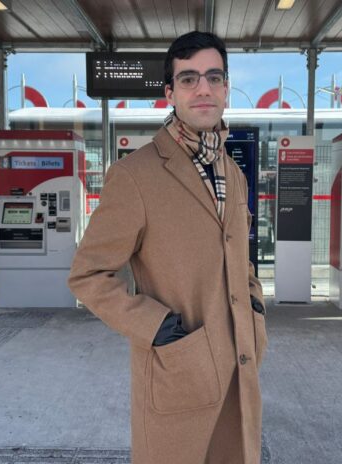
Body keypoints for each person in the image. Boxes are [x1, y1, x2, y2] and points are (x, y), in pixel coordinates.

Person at [68, 31, 266, 464]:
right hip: (179, 369)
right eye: (189, 79)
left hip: (239, 367)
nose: (204, 89)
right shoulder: (136, 175)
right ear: (169, 93)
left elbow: (238, 252)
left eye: (214, 77)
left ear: (227, 89)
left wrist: (254, 305)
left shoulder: (233, 173)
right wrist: (153, 326)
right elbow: (87, 274)